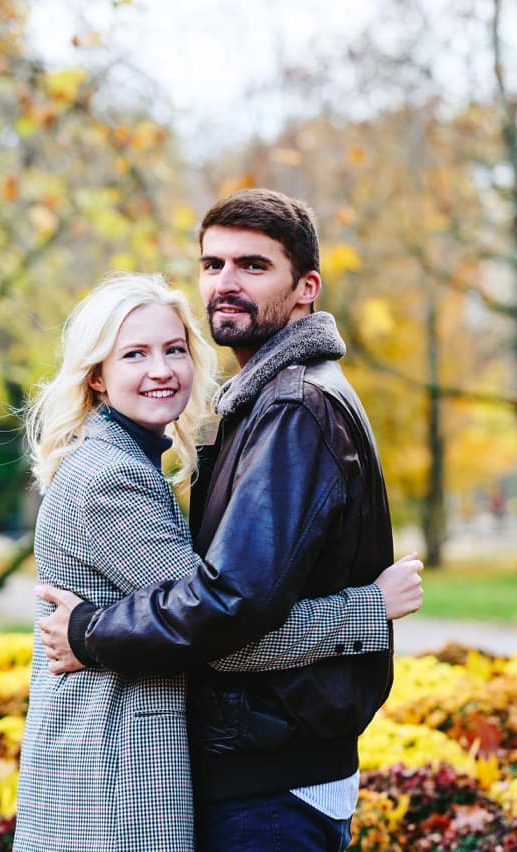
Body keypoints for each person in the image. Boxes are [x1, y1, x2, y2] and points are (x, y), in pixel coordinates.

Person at [37, 189, 408, 850]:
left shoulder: (291, 405)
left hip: (269, 780)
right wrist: (367, 610)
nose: (226, 283)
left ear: (306, 287)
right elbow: (225, 614)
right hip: (156, 780)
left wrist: (89, 632)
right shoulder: (121, 468)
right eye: (213, 265)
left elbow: (224, 614)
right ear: (95, 377)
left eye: (253, 266)